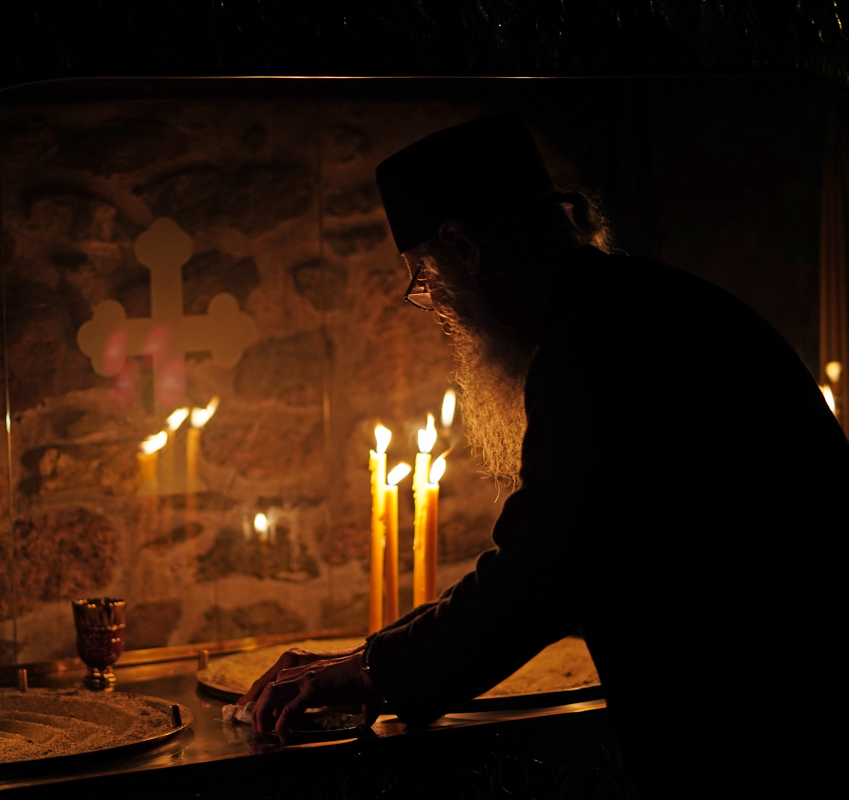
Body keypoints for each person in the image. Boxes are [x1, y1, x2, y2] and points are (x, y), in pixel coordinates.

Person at [238, 114, 848, 797]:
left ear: (463, 248)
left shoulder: (599, 353)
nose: (434, 308)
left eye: (423, 281)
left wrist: (371, 671)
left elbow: (538, 576)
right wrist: (368, 655)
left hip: (773, 731)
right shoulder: (640, 306)